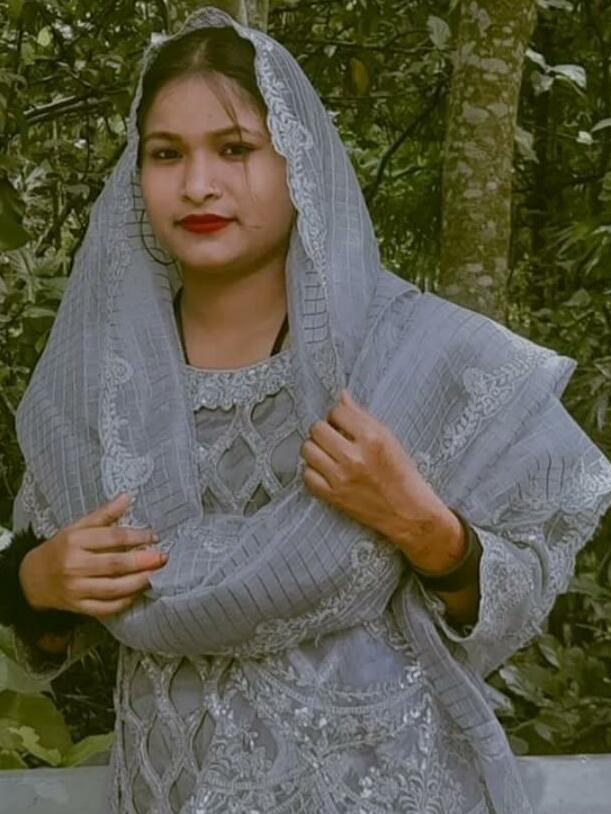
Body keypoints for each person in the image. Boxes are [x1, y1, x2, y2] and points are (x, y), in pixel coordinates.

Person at [2, 6, 611, 813]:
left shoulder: (410, 356)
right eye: (165, 153)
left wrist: (426, 529)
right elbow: (52, 630)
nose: (197, 184)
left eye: (235, 148)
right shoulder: (99, 386)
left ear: (299, 160)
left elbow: (525, 582)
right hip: (169, 788)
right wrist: (33, 584)